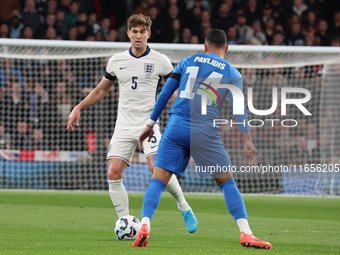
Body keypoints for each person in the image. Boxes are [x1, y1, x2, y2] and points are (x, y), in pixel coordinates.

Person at [134, 29, 272, 249]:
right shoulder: (232, 72)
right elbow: (239, 110)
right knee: (227, 183)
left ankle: (145, 224)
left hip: (176, 126)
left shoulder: (187, 61)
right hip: (205, 131)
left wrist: (150, 124)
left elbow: (164, 94)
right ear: (226, 48)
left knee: (158, 181)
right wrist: (247, 139)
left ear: (205, 46)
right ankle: (246, 233)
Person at [67, 14, 197, 233]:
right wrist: (78, 106)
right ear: (128, 33)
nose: (138, 35)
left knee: (157, 169)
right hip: (123, 126)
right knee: (113, 173)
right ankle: (126, 222)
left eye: (142, 31)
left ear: (149, 33)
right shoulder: (117, 60)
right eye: (134, 31)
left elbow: (178, 87)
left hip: (149, 123)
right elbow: (101, 90)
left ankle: (183, 206)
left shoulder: (160, 60)